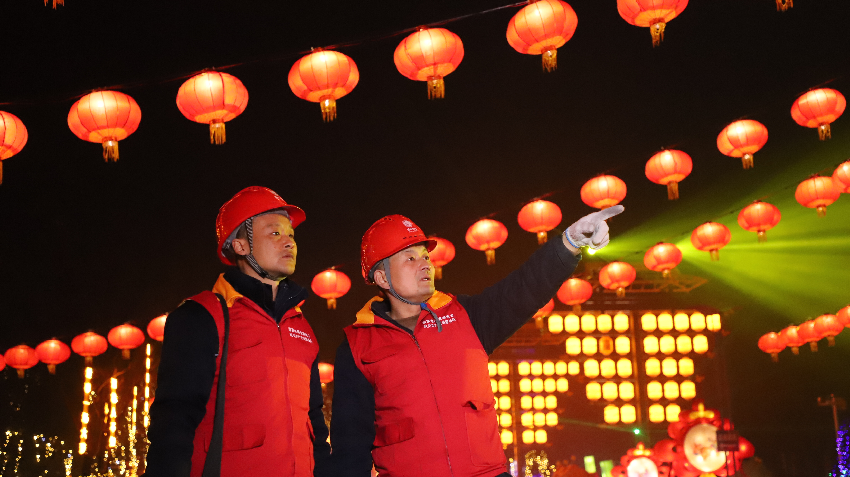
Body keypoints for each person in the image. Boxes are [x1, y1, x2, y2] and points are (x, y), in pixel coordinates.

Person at [330, 206, 623, 477]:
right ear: (382, 278)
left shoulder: (466, 316)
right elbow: (349, 449)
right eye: (410, 258)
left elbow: (523, 288)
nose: (425, 265)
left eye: (425, 256)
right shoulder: (357, 346)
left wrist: (570, 242)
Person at [146, 186, 330, 477]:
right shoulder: (202, 316)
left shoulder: (300, 325)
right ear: (240, 245)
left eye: (291, 235)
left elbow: (315, 422)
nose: (289, 243)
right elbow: (174, 419)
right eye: (275, 233)